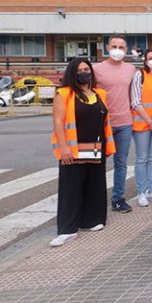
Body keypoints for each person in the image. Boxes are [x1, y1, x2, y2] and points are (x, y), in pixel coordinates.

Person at [50, 58, 115, 247]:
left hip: (96, 148)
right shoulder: (64, 93)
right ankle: (67, 229)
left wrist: (108, 147)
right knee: (71, 189)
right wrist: (64, 147)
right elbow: (58, 122)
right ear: (72, 73)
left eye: (87, 69)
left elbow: (105, 122)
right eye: (80, 70)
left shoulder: (100, 93)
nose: (84, 73)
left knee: (95, 184)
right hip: (73, 149)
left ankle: (92, 220)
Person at [92, 34, 135, 214]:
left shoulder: (131, 69)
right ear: (107, 47)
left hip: (125, 123)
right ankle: (95, 199)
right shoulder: (96, 69)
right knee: (97, 162)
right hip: (102, 124)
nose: (118, 50)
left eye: (121, 47)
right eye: (114, 46)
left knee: (121, 163)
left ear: (126, 50)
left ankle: (118, 198)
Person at [130, 48, 152, 208]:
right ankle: (141, 191)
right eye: (150, 58)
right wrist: (150, 121)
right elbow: (135, 101)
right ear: (145, 61)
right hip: (142, 123)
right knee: (142, 158)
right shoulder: (140, 75)